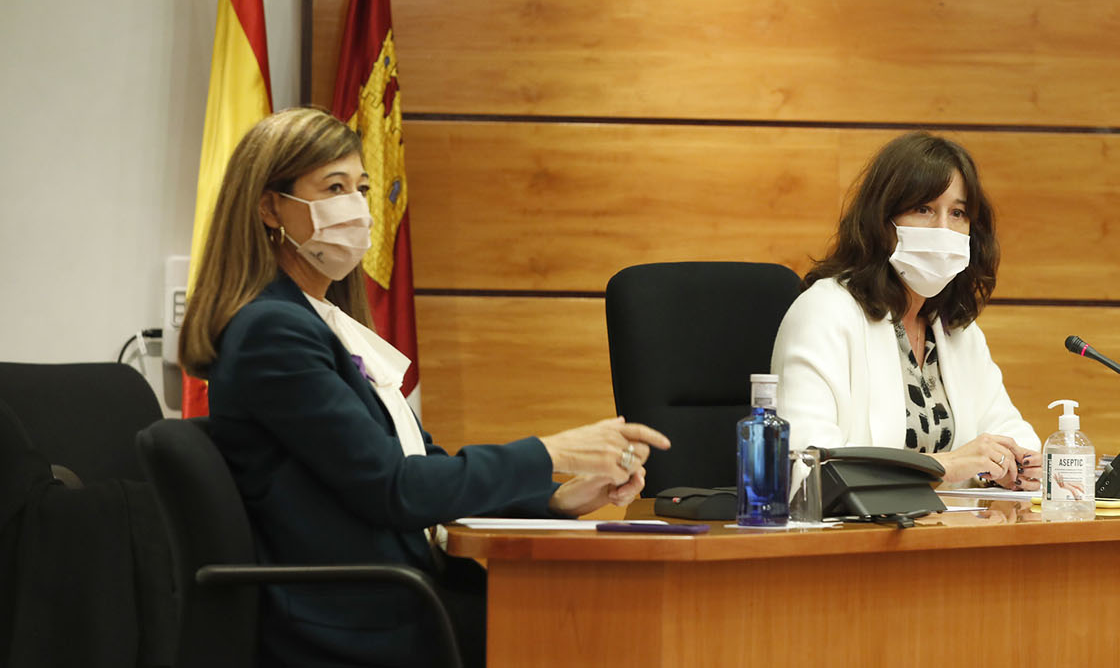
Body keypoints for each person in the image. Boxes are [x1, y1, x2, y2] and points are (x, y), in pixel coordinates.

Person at [179, 108, 669, 667]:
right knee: (602, 633)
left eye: (361, 188)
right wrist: (550, 452)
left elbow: (418, 462)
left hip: (393, 596)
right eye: (333, 187)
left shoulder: (319, 320)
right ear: (271, 206)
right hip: (354, 618)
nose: (357, 208)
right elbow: (396, 488)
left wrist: (555, 496)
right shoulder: (273, 331)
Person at [771, 131, 1041, 490]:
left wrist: (1022, 466)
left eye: (958, 213)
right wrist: (942, 466)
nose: (944, 229)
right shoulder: (825, 312)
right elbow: (806, 467)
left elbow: (1008, 430)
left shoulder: (953, 329)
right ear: (882, 222)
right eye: (924, 209)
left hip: (948, 531)